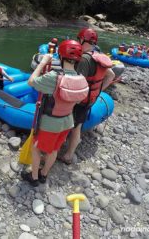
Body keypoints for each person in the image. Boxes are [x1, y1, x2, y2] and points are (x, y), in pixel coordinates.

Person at [21, 40, 89, 186]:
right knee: (54, 149)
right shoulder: (80, 78)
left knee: (36, 148)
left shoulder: (54, 77)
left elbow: (31, 82)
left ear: (61, 56)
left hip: (50, 123)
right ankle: (44, 174)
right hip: (68, 121)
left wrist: (43, 63)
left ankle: (33, 178)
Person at [59, 28, 115, 164]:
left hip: (80, 101)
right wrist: (99, 90)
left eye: (79, 40)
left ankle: (67, 154)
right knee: (78, 124)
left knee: (72, 125)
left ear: (82, 40)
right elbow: (111, 75)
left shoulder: (84, 59)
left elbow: (76, 82)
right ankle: (69, 148)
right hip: (90, 99)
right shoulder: (98, 55)